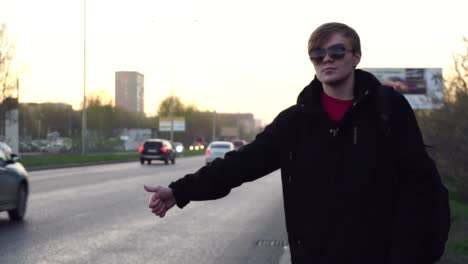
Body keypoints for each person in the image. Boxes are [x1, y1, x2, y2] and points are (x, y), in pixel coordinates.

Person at [144, 22, 444, 263]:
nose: (326, 59)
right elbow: (241, 164)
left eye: (337, 51)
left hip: (380, 254)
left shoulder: (387, 109)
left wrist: (413, 254)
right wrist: (179, 191)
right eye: (317, 53)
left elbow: (421, 186)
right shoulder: (296, 121)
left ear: (356, 57)